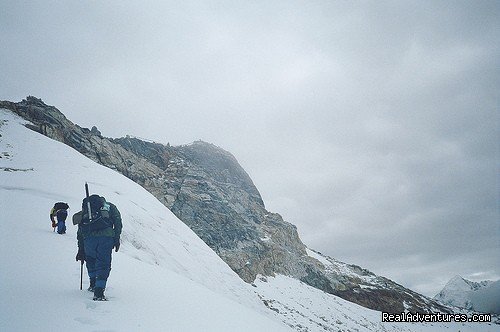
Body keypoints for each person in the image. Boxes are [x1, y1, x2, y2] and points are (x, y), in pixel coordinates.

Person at [75, 194, 122, 301]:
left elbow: (80, 229)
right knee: (103, 264)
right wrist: (116, 238)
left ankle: (92, 284)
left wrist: (80, 249)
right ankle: (99, 292)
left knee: (90, 259)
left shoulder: (87, 210)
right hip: (106, 238)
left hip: (88, 238)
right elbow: (118, 222)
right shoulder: (110, 207)